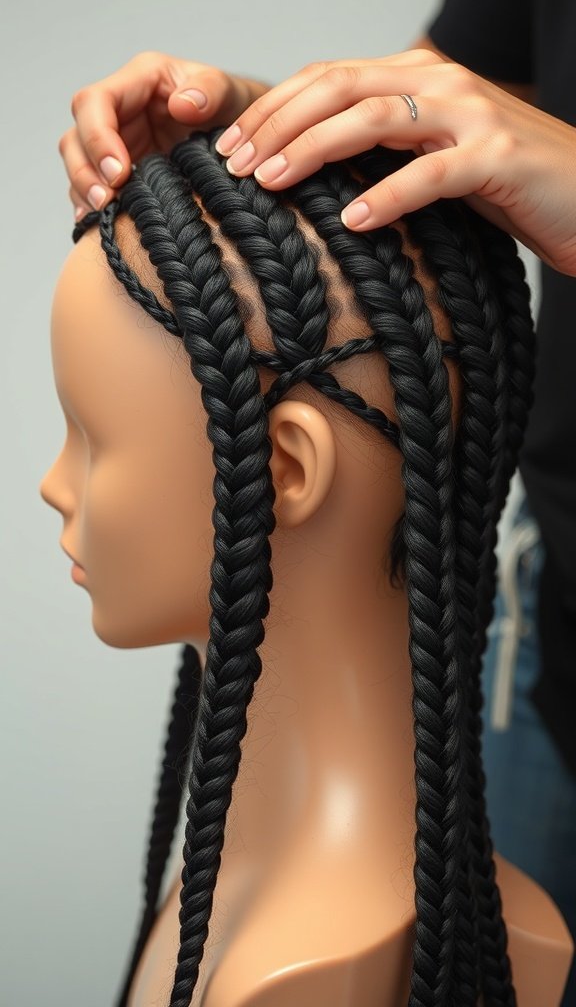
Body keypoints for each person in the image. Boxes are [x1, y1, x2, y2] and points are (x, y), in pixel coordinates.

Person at [42, 124, 572, 1006]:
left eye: (93, 438)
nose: (53, 485)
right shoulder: (229, 882)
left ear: (284, 468)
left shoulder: (295, 974)